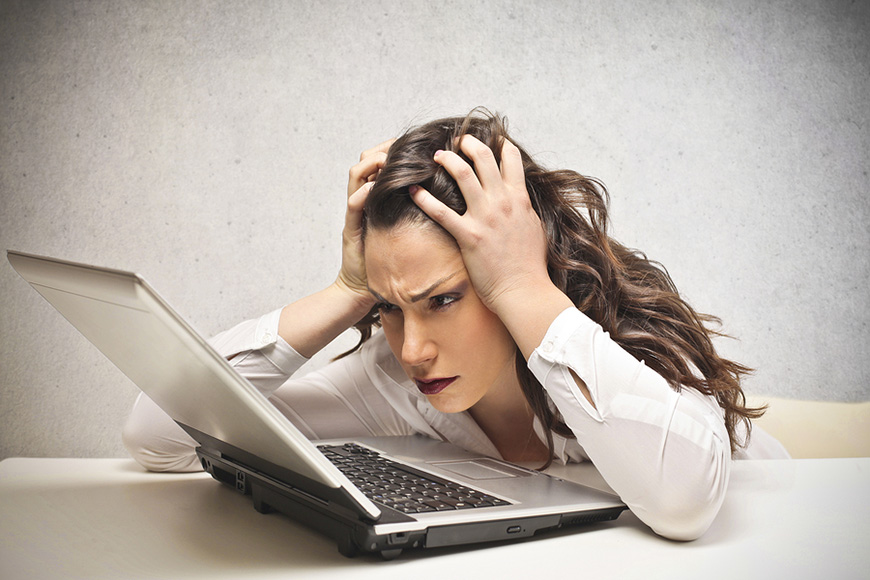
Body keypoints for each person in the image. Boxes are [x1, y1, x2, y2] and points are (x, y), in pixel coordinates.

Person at [123, 109, 787, 542]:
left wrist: (524, 286)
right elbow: (157, 435)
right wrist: (350, 291)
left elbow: (684, 507)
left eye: (441, 300)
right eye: (390, 307)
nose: (412, 349)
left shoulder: (630, 339)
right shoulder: (391, 379)